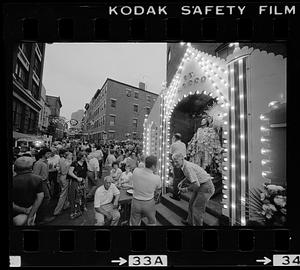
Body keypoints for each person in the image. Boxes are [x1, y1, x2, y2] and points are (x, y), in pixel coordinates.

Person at [172, 153, 215, 226]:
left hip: (206, 186)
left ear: (182, 159)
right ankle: (190, 222)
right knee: (191, 203)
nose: (175, 164)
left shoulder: (187, 167)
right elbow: (191, 175)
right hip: (201, 185)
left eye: (177, 161)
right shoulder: (184, 165)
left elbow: (196, 184)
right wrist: (183, 181)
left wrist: (186, 189)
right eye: (174, 162)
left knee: (197, 208)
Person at [130, 155, 161, 226]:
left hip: (135, 202)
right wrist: (155, 200)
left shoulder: (136, 171)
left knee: (134, 222)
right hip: (148, 203)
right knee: (152, 222)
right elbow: (158, 190)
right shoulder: (156, 178)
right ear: (153, 166)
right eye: (157, 165)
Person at [13, 157, 44, 226]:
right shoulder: (37, 179)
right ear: (31, 167)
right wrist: (31, 215)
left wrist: (23, 210)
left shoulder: (14, 179)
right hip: (31, 210)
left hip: (16, 213)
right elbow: (40, 198)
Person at [32, 147, 55, 224]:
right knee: (45, 199)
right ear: (43, 154)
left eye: (49, 153)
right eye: (48, 153)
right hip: (40, 183)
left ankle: (42, 217)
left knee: (47, 198)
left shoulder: (46, 162)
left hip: (45, 182)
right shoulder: (38, 163)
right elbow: (35, 175)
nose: (49, 155)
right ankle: (40, 218)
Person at [68, 152, 88, 219]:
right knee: (75, 197)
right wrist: (77, 178)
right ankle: (74, 211)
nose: (84, 158)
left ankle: (82, 208)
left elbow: (85, 172)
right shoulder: (74, 163)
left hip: (83, 182)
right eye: (82, 157)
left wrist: (84, 180)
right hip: (75, 182)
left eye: (85, 157)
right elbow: (70, 172)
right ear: (79, 157)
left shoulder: (84, 163)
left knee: (83, 196)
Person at [53, 151, 73, 216]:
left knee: (64, 192)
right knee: (63, 194)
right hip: (65, 177)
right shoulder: (69, 161)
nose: (71, 156)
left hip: (61, 177)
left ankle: (65, 205)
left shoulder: (61, 159)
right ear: (67, 156)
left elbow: (57, 167)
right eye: (70, 155)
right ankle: (57, 210)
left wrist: (59, 171)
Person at [170, 133, 187, 201]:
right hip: (183, 163)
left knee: (176, 179)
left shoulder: (173, 145)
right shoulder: (183, 144)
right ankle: (179, 194)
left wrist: (172, 162)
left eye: (173, 138)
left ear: (175, 138)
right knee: (180, 179)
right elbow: (185, 155)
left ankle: (176, 195)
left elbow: (170, 154)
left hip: (176, 163)